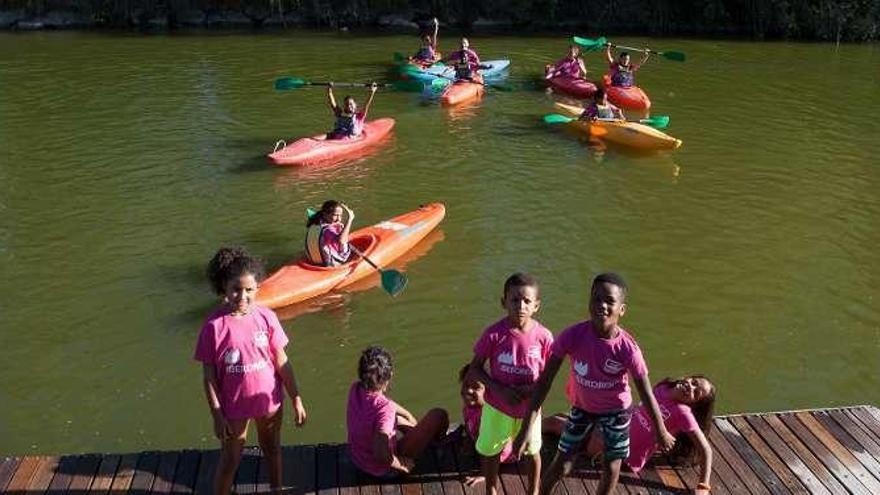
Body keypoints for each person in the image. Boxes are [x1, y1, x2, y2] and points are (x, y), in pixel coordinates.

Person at [511, 272, 675, 495]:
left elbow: (645, 392)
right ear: (589, 301)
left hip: (617, 412)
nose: (602, 305)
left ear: (622, 310)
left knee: (612, 464)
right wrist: (525, 429)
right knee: (564, 462)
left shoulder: (628, 349)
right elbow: (544, 383)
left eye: (610, 301)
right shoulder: (572, 335)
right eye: (596, 298)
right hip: (582, 409)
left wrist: (661, 430)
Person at [194, 247, 308, 495]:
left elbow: (282, 362)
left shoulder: (267, 317)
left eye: (249, 290)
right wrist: (216, 414)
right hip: (233, 408)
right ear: (224, 287)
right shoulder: (213, 327)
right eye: (236, 289)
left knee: (273, 449)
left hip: (269, 402)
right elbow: (209, 377)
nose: (242, 296)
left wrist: (296, 397)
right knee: (231, 459)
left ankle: (276, 488)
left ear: (258, 288)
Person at [543, 375, 716, 495]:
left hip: (623, 453)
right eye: (693, 381)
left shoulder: (683, 413)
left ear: (695, 404)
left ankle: (520, 438)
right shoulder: (664, 388)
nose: (690, 387)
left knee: (554, 423)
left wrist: (703, 486)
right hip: (613, 428)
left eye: (696, 392)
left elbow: (706, 449)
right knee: (564, 416)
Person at [468, 273, 554, 495]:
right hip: (497, 408)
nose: (521, 305)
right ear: (503, 302)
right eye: (515, 300)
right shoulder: (493, 334)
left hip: (530, 409)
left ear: (537, 306)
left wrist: (531, 390)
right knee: (490, 451)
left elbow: (548, 377)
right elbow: (474, 368)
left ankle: (533, 491)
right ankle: (491, 490)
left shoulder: (545, 337)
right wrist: (498, 389)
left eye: (527, 301)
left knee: (532, 451)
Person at [347, 345, 450, 478]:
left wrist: (406, 414)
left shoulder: (355, 388)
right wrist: (401, 464)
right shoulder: (385, 409)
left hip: (359, 459)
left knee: (403, 421)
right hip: (382, 469)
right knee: (438, 415)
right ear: (389, 377)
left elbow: (382, 404)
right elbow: (380, 453)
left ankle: (422, 437)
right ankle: (438, 446)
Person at [305, 200, 354, 266]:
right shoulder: (328, 230)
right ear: (325, 214)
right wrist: (350, 219)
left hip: (314, 260)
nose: (339, 219)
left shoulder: (315, 223)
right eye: (335, 215)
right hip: (332, 263)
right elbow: (342, 241)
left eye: (340, 215)